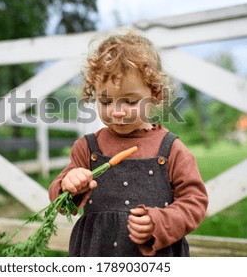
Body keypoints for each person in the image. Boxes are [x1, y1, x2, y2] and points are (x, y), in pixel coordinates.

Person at [48, 30, 208, 256]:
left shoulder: (172, 150)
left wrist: (160, 222)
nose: (117, 112)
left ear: (155, 95)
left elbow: (195, 202)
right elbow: (61, 202)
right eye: (105, 101)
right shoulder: (87, 148)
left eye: (130, 101)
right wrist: (68, 185)